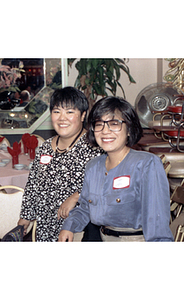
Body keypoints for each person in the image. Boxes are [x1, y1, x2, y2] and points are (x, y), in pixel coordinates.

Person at [58, 96, 174, 242]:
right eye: (99, 124)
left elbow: (157, 224)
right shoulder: (93, 167)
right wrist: (69, 226)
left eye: (114, 124)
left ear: (129, 130)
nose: (105, 131)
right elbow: (85, 208)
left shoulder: (146, 164)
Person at [18, 87, 104, 242]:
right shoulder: (45, 147)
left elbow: (106, 186)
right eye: (57, 111)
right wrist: (26, 216)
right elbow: (33, 185)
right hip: (45, 227)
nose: (62, 118)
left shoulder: (94, 148)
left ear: (83, 115)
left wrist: (78, 195)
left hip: (79, 230)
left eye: (70, 112)